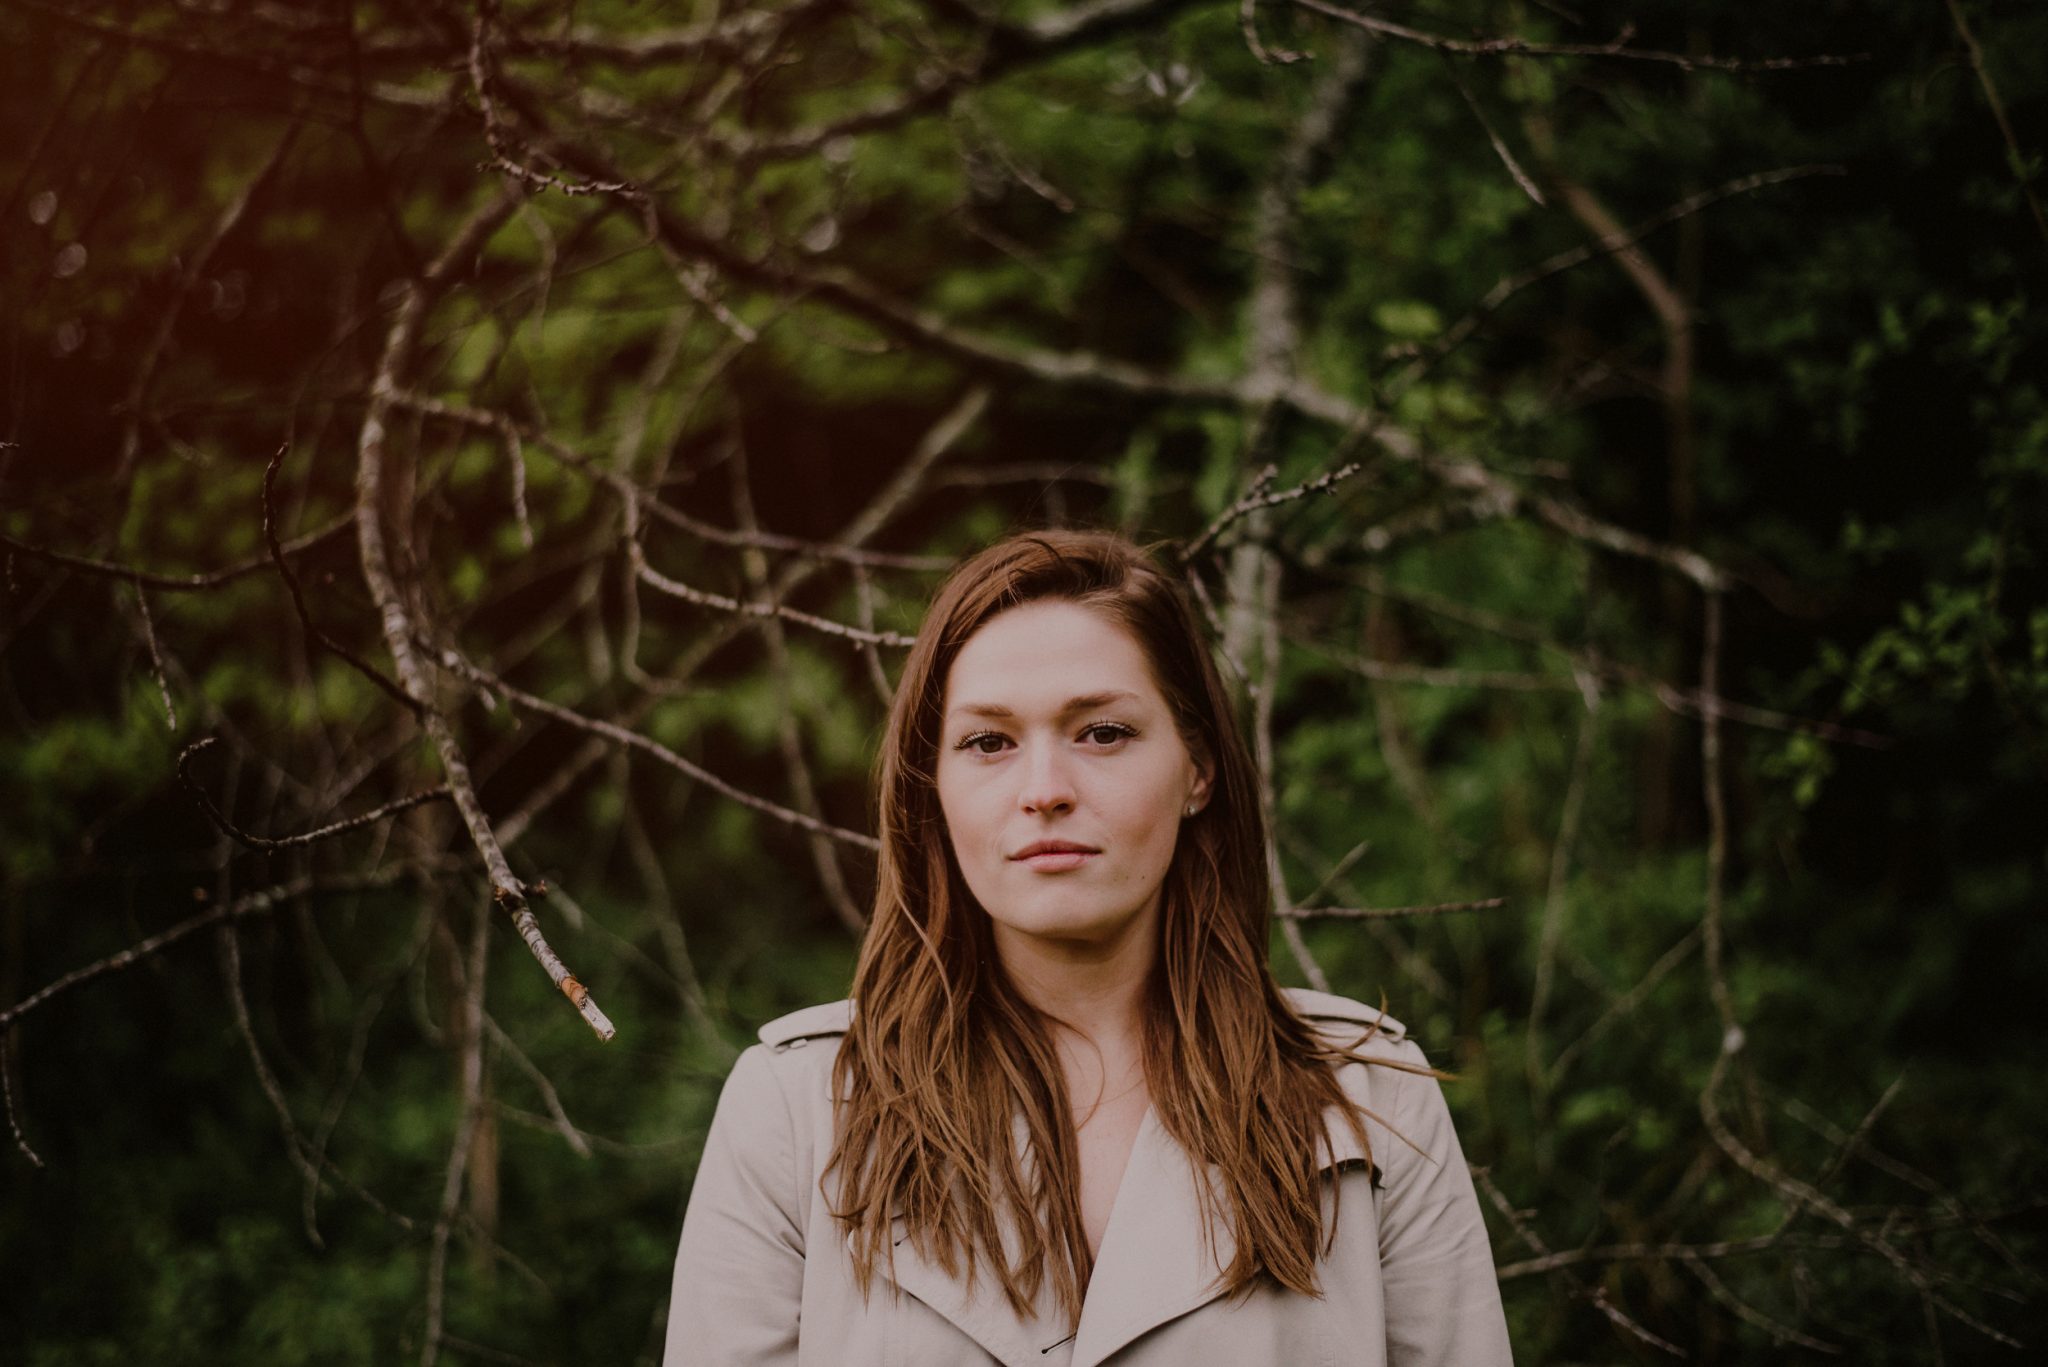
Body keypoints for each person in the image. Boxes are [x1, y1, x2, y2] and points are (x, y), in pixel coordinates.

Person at [663, 528, 1512, 1366]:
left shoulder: (1368, 1104)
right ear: (935, 786)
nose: (1044, 791)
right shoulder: (799, 1113)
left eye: (1102, 731)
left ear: (1198, 769)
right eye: (988, 742)